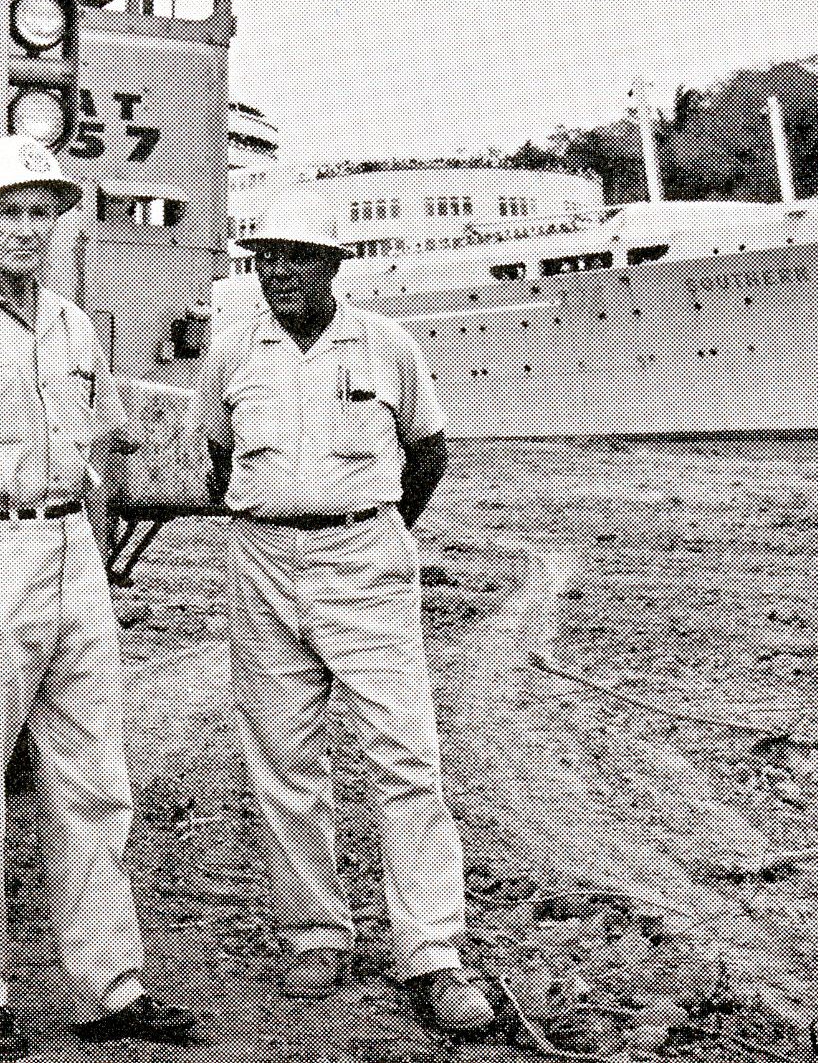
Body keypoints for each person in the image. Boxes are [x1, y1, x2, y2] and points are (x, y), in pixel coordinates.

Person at [0, 136, 197, 1059]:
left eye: (38, 211)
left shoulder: (72, 324)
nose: (23, 227)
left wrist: (88, 553)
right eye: (5, 211)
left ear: (56, 224)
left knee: (94, 783)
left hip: (69, 559)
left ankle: (110, 987)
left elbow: (104, 451)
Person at [195, 187, 497, 1035]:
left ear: (334, 264)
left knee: (405, 756)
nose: (280, 271)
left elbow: (427, 454)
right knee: (283, 759)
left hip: (364, 556)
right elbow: (218, 461)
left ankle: (433, 953)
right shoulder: (230, 352)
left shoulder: (388, 346)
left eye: (299, 256)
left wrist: (366, 526)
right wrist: (280, 517)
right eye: (266, 257)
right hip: (260, 561)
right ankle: (315, 932)